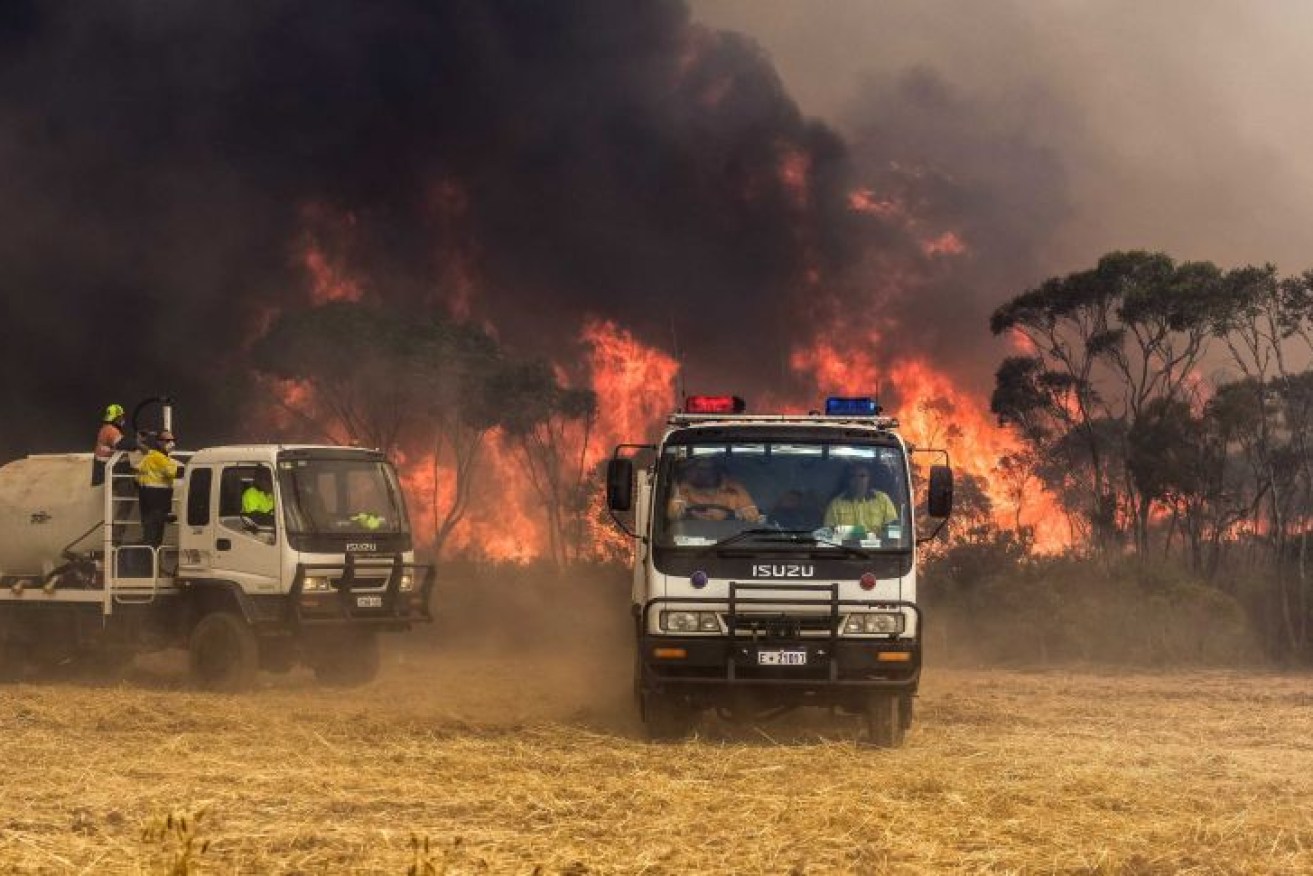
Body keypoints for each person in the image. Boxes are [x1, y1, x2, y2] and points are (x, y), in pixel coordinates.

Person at [667, 456, 761, 522]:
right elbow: (673, 514)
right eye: (699, 469)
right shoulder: (684, 489)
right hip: (692, 536)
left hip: (729, 536)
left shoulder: (733, 490)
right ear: (690, 471)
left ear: (717, 470)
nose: (704, 474)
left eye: (708, 469)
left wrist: (747, 513)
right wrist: (677, 507)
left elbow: (751, 513)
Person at [136, 429, 179, 548]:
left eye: (173, 440)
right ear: (159, 442)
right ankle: (149, 565)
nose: (172, 443)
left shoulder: (153, 455)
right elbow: (172, 472)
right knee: (153, 539)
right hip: (155, 504)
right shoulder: (158, 457)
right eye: (168, 440)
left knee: (153, 539)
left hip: (151, 502)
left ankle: (152, 564)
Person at [823, 463, 898, 531]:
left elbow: (893, 530)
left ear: (869, 478)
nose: (858, 480)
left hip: (879, 546)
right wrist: (855, 533)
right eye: (853, 476)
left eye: (862, 476)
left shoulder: (882, 499)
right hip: (845, 546)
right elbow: (829, 533)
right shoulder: (835, 504)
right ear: (848, 480)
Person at [91, 403, 138, 487]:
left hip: (106, 474)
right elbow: (123, 444)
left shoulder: (105, 428)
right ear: (116, 418)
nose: (123, 419)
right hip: (111, 475)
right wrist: (138, 444)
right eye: (121, 416)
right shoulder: (111, 430)